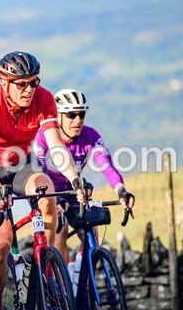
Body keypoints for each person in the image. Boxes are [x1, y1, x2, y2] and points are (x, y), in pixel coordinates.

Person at [0, 51, 89, 310]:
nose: (28, 90)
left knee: (47, 193)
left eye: (33, 83)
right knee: (2, 240)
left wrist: (74, 178)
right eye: (20, 84)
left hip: (22, 162)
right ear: (4, 82)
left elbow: (57, 147)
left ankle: (45, 272)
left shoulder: (44, 99)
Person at [32, 88, 134, 263]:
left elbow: (107, 167)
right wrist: (55, 199)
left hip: (74, 192)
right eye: (71, 115)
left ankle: (81, 276)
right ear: (59, 116)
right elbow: (41, 171)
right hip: (48, 194)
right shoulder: (43, 137)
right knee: (61, 229)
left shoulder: (91, 136)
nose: (77, 120)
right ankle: (63, 286)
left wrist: (121, 190)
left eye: (81, 115)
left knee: (92, 232)